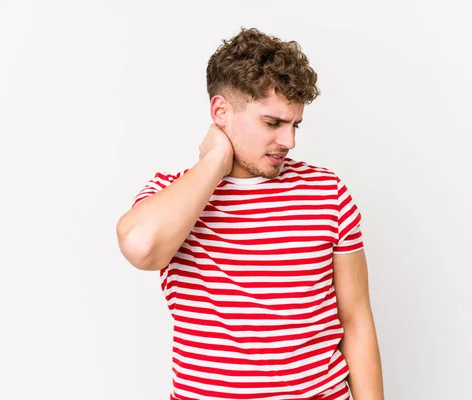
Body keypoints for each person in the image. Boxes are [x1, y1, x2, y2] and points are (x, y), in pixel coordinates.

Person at [116, 27, 384, 400]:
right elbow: (142, 248)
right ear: (220, 111)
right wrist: (214, 161)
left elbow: (355, 319)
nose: (289, 141)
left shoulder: (327, 192)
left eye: (295, 125)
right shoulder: (171, 194)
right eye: (272, 123)